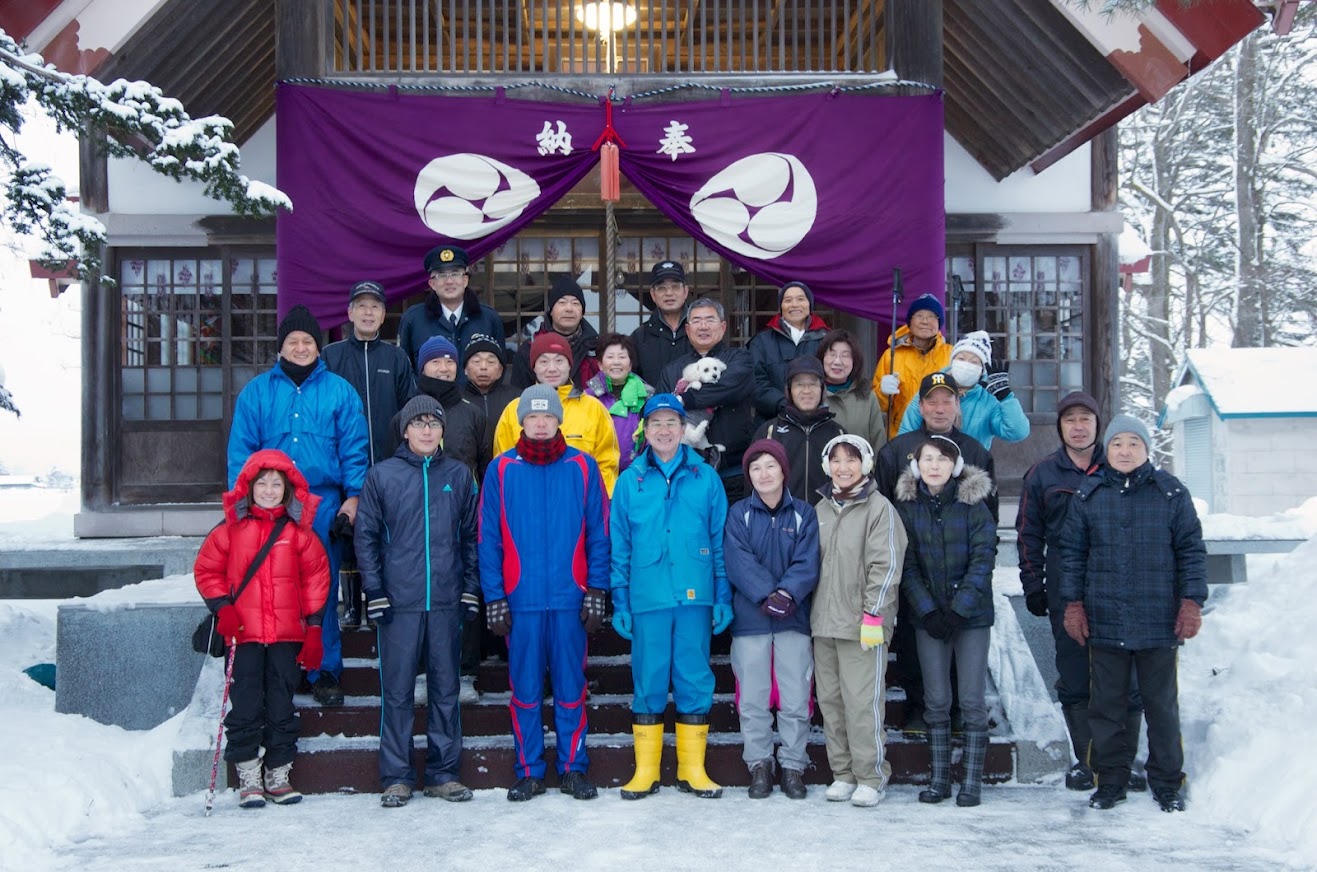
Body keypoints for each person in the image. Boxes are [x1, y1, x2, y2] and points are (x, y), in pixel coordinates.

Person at [1060, 415, 1207, 813]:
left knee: (1161, 706)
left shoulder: (1171, 493)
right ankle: (1111, 780)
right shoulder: (1089, 494)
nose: (1125, 451)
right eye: (1117, 444)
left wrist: (1191, 602)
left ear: (1146, 450)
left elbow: (1191, 550)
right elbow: (1072, 554)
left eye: (1133, 444)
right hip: (1105, 618)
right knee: (1106, 707)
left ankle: (1166, 781)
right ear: (1106, 450)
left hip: (1159, 619)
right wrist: (1073, 604)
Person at [227, 305, 369, 707]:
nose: (302, 348)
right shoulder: (257, 392)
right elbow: (241, 452)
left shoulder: (340, 390)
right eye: (294, 342)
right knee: (274, 587)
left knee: (319, 592)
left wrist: (353, 499)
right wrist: (241, 504)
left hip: (324, 503)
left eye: (308, 342)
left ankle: (323, 670)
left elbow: (355, 450)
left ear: (319, 348)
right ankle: (283, 668)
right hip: (269, 502)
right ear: (280, 349)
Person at [479, 385, 611, 802]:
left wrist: (597, 589)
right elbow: (488, 539)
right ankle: (530, 770)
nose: (539, 424)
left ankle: (573, 767)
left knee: (572, 688)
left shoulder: (583, 466)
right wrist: (494, 596)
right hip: (522, 601)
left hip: (571, 599)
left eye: (547, 417)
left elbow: (599, 534)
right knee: (526, 691)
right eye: (532, 417)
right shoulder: (501, 469)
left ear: (558, 420)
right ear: (521, 421)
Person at [355, 395, 480, 808]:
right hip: (399, 601)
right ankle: (396, 775)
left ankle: (444, 773)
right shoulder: (382, 476)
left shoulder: (459, 475)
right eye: (419, 423)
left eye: (434, 423)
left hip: (445, 600)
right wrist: (373, 591)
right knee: (397, 692)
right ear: (405, 430)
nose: (427, 430)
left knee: (446, 689)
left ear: (443, 431)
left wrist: (470, 585)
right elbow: (367, 537)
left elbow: (471, 537)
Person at [1017, 391, 1145, 792]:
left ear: (1097, 425)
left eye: (1085, 419)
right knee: (1074, 674)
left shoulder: (1118, 467)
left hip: (1116, 583)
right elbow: (1028, 534)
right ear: (1060, 427)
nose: (1078, 426)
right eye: (1070, 419)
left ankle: (1123, 761)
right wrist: (1033, 583)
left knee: (1126, 676)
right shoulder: (1043, 473)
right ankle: (1086, 761)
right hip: (1063, 584)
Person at [611, 394, 733, 801]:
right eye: (656, 423)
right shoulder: (630, 480)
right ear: (644, 429)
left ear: (684, 430)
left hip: (695, 597)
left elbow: (719, 542)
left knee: (694, 677)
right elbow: (620, 545)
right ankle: (645, 771)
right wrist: (621, 599)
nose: (664, 430)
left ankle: (692, 769)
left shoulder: (706, 478)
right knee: (647, 679)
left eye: (671, 423)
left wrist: (722, 595)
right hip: (648, 597)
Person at [194, 449, 330, 808]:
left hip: (286, 633)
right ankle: (249, 773)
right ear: (249, 487)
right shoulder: (230, 530)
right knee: (246, 703)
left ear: (288, 490)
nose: (269, 490)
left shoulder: (300, 534)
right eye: (262, 483)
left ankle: (278, 771)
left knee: (281, 703)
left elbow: (316, 578)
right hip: (243, 633)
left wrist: (314, 628)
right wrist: (222, 608)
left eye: (277, 484)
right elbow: (207, 570)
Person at [876, 371, 995, 733]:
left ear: (958, 406)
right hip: (915, 569)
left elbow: (991, 517)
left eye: (948, 401)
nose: (940, 408)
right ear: (921, 405)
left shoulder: (975, 451)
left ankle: (960, 710)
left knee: (962, 643)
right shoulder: (898, 449)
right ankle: (917, 708)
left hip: (963, 571)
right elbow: (881, 507)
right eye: (932, 401)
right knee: (915, 642)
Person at [893, 436, 997, 807]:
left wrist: (959, 609)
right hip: (929, 618)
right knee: (935, 700)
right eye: (927, 459)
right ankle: (939, 780)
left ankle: (971, 782)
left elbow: (984, 558)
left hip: (971, 617)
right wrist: (929, 611)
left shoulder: (973, 505)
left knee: (970, 700)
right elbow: (906, 565)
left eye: (941, 459)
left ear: (954, 465)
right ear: (917, 465)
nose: (933, 465)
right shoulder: (906, 508)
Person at [812, 434, 907, 808]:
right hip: (824, 623)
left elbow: (885, 565)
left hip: (862, 623)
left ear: (865, 464)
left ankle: (871, 775)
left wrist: (874, 614)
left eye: (851, 460)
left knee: (862, 701)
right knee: (831, 702)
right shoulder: (819, 508)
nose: (843, 467)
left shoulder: (879, 508)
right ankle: (843, 773)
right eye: (836, 460)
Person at [723, 439, 820, 800]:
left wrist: (788, 595)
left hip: (793, 620)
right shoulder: (739, 515)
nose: (763, 474)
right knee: (753, 698)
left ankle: (793, 765)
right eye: (755, 468)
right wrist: (767, 595)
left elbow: (808, 561)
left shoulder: (804, 514)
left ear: (783, 470)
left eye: (770, 466)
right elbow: (738, 560)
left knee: (795, 697)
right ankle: (759, 764)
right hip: (751, 621)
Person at [322, 280, 415, 628]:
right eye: (360, 306)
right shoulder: (331, 357)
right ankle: (351, 607)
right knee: (348, 534)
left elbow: (410, 409)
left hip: (389, 464)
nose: (367, 312)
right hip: (343, 465)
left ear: (382, 314)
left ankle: (381, 600)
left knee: (385, 536)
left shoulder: (396, 358)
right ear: (349, 313)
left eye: (374, 306)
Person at [493, 332, 619, 495]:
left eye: (559, 361)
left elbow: (607, 463)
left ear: (569, 365)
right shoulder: (514, 409)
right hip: (526, 504)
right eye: (544, 361)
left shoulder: (593, 408)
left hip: (579, 506)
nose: (552, 368)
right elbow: (502, 466)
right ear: (534, 367)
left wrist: (598, 503)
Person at [658, 297, 755, 501]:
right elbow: (665, 410)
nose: (703, 326)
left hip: (733, 472)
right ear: (687, 328)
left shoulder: (740, 359)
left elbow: (728, 388)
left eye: (710, 320)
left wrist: (687, 399)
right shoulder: (672, 370)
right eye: (697, 321)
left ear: (722, 327)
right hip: (685, 471)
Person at [898, 330, 1029, 449]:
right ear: (952, 361)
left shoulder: (988, 400)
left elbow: (1017, 433)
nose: (966, 365)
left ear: (982, 370)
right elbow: (906, 435)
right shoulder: (931, 388)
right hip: (930, 469)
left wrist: (1005, 397)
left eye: (974, 362)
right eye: (961, 359)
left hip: (972, 470)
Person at [398, 244, 505, 373]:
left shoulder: (488, 318)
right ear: (432, 284)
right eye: (441, 275)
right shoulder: (413, 319)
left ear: (465, 280)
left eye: (455, 274)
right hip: (428, 393)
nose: (449, 281)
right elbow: (403, 369)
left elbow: (499, 367)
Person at [758, 356, 843, 506]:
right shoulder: (769, 431)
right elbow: (753, 483)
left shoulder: (838, 434)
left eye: (813, 384)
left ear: (822, 389)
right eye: (799, 384)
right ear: (789, 390)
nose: (806, 391)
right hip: (781, 520)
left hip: (826, 522)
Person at [401, 336, 487, 475]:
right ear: (422, 368)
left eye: (450, 362)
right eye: (435, 362)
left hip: (463, 495)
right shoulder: (406, 414)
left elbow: (484, 465)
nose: (444, 369)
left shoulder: (473, 414)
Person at [872, 293, 952, 442]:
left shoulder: (951, 355)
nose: (925, 321)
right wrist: (882, 393)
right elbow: (876, 406)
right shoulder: (892, 355)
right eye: (919, 316)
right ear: (910, 322)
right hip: (901, 435)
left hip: (942, 435)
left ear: (939, 322)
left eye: (931, 317)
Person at [749, 280, 829, 421]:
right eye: (788, 300)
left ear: (810, 305)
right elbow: (755, 383)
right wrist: (784, 405)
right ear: (781, 306)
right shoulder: (761, 341)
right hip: (772, 420)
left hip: (818, 419)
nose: (794, 305)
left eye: (800, 299)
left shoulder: (826, 338)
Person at [510, 276, 600, 389]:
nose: (569, 309)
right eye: (562, 302)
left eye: (575, 303)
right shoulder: (530, 349)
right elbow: (519, 395)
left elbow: (603, 391)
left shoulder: (595, 347)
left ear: (582, 312)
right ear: (551, 310)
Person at [584, 332, 654, 470]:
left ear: (630, 364)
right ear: (600, 364)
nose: (616, 362)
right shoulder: (587, 398)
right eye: (610, 357)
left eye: (622, 357)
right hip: (597, 475)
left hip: (636, 476)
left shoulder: (647, 397)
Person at [460, 333, 521, 482]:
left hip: (510, 474)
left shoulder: (517, 398)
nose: (483, 367)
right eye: (476, 361)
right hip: (467, 477)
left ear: (501, 370)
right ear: (465, 369)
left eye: (491, 362)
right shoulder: (455, 399)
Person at [817, 328, 886, 452]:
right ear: (822, 357)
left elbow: (878, 442)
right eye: (832, 354)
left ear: (855, 361)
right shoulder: (812, 394)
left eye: (845, 355)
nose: (837, 362)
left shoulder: (867, 396)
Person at [630, 260, 692, 384]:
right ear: (653, 294)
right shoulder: (640, 336)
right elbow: (631, 380)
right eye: (661, 288)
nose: (669, 293)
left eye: (675, 286)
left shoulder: (699, 329)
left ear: (685, 291)